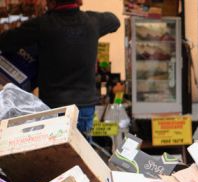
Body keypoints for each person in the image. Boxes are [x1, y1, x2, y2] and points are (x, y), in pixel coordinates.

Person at [0, 0, 119, 136]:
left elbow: (5, 41)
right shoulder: (92, 21)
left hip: (54, 106)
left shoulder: (42, 25)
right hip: (85, 105)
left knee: (56, 152)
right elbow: (115, 21)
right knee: (83, 152)